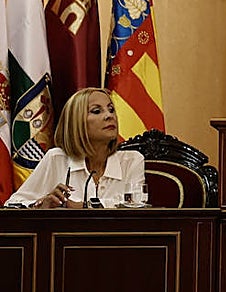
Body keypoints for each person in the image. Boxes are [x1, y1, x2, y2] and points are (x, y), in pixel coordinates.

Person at [5, 87, 145, 209]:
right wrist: (41, 205)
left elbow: (136, 206)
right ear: (76, 122)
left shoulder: (131, 161)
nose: (109, 116)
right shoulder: (57, 159)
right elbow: (13, 205)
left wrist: (83, 206)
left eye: (111, 109)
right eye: (97, 111)